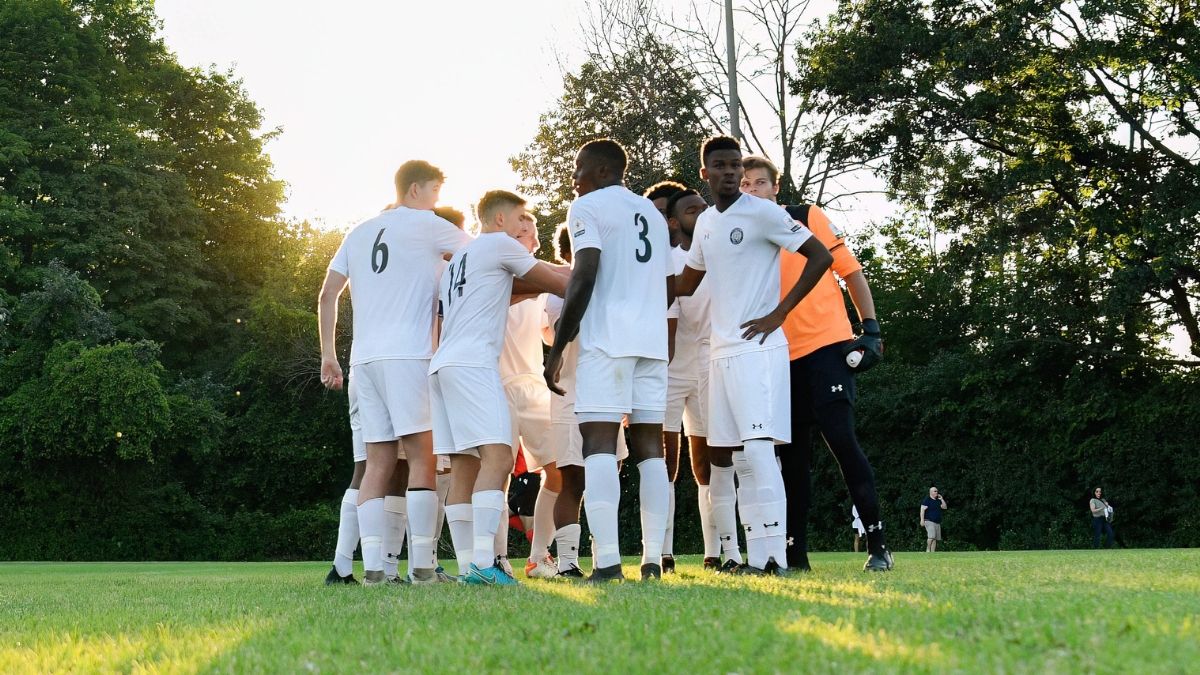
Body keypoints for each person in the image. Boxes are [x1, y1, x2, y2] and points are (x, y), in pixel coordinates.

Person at [675, 136, 833, 576]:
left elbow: (819, 256)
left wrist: (778, 313)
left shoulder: (764, 212)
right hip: (719, 354)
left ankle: (774, 559)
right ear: (705, 173)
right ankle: (755, 556)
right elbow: (685, 284)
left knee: (761, 453)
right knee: (738, 458)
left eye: (734, 166)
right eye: (720, 166)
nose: (729, 173)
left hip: (758, 350)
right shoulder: (706, 222)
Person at [319, 160, 472, 585]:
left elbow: (327, 293)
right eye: (436, 191)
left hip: (363, 360)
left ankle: (373, 572)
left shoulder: (359, 230)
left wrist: (328, 355)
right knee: (423, 459)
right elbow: (478, 254)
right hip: (409, 356)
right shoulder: (426, 224)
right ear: (417, 189)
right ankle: (423, 567)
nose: (437, 201)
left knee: (377, 462)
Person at [739, 154, 893, 573]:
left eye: (758, 183)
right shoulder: (740, 236)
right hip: (776, 357)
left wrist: (872, 329)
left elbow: (850, 271)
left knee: (843, 444)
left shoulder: (805, 215)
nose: (750, 190)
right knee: (791, 461)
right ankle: (795, 555)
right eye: (744, 185)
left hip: (827, 347)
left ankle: (878, 545)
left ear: (776, 187)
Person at [544, 138, 674, 582]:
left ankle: (607, 563)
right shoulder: (653, 215)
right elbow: (668, 282)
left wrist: (559, 347)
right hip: (652, 342)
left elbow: (584, 274)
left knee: (597, 445)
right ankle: (653, 559)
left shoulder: (586, 207)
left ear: (601, 171)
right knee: (650, 450)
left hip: (608, 343)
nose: (573, 177)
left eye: (578, 168)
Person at [431, 190, 567, 586]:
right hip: (475, 364)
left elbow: (512, 292)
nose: (525, 223)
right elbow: (556, 280)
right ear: (500, 220)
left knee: (464, 467)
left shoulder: (462, 257)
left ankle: (468, 568)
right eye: (521, 216)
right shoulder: (496, 246)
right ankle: (485, 565)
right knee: (499, 459)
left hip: (444, 365)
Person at [542, 225, 631, 579]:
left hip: (606, 394)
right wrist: (583, 288)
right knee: (572, 481)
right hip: (569, 397)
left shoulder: (609, 290)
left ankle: (603, 554)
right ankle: (567, 562)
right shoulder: (554, 295)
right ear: (567, 255)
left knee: (609, 475)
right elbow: (569, 328)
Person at [664, 188, 744, 572]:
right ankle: (662, 551)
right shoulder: (669, 259)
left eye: (704, 206)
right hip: (670, 369)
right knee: (665, 463)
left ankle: (720, 550)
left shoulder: (722, 254)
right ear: (676, 223)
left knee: (711, 462)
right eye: (694, 209)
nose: (705, 211)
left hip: (711, 364)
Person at [324, 380, 368, 584]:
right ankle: (385, 568)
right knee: (378, 469)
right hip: (394, 365)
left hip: (363, 368)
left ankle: (342, 566)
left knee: (368, 469)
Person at [920, 487, 947, 552]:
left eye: (937, 491)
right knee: (931, 536)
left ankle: (932, 553)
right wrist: (922, 520)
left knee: (935, 538)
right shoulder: (927, 500)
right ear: (931, 492)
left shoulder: (938, 500)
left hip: (937, 522)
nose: (936, 492)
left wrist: (942, 499)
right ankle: (928, 549)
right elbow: (922, 510)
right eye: (935, 491)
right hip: (929, 521)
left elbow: (945, 507)